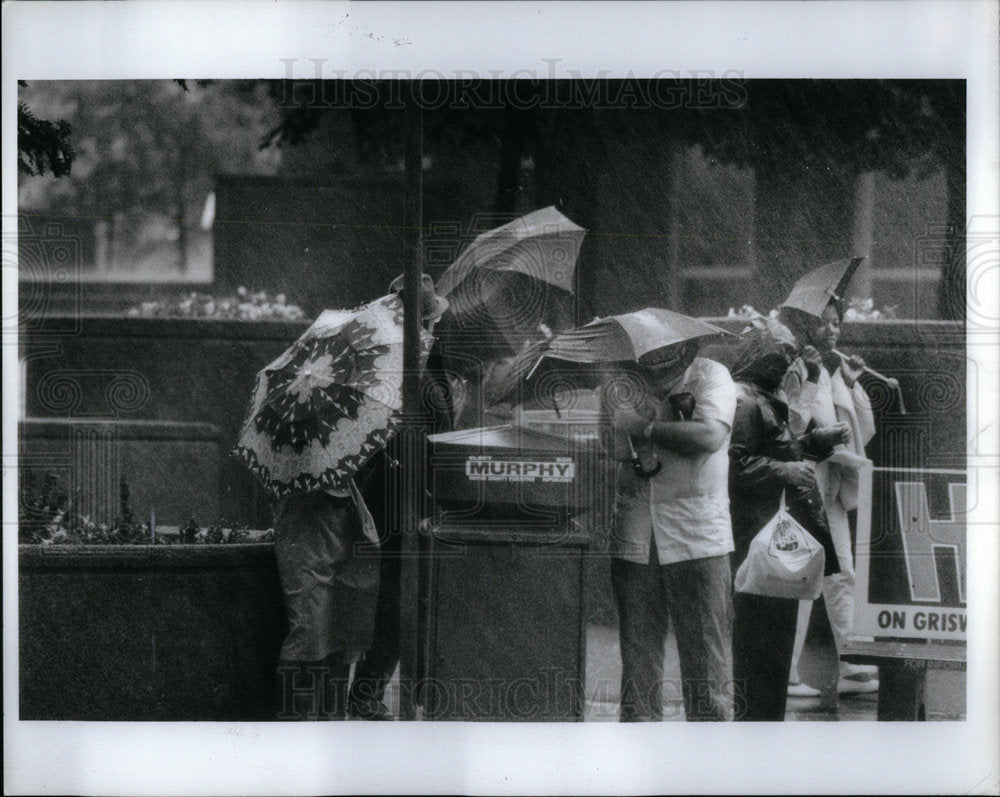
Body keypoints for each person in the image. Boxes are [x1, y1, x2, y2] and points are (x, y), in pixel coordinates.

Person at [603, 337, 738, 721]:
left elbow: (711, 435)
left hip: (697, 536)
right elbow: (611, 449)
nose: (658, 375)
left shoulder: (713, 376)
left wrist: (646, 427)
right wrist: (614, 417)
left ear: (686, 352)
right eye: (648, 365)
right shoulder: (621, 383)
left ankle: (708, 756)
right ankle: (640, 751)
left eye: (666, 367)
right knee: (638, 650)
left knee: (704, 656)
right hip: (636, 532)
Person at [727, 316, 845, 720]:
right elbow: (735, 466)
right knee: (759, 639)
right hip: (757, 532)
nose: (786, 364)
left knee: (775, 636)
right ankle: (756, 722)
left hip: (775, 532)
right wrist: (786, 470)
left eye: (789, 356)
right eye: (779, 356)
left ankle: (766, 720)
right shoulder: (744, 400)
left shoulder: (762, 397)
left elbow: (780, 450)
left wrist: (813, 443)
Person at [347, 273, 453, 720]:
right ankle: (376, 692)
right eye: (429, 322)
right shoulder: (419, 370)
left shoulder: (381, 362)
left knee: (398, 599)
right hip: (409, 499)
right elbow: (441, 436)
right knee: (405, 600)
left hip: (385, 495)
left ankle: (379, 691)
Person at [780, 298, 878, 699]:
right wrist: (814, 376)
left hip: (832, 487)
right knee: (801, 577)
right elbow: (791, 426)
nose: (833, 330)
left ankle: (849, 663)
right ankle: (785, 674)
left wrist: (850, 383)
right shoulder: (796, 368)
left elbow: (861, 433)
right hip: (804, 482)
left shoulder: (834, 370)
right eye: (824, 322)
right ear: (807, 327)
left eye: (836, 323)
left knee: (842, 575)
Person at [273, 463, 380, 720]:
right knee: (311, 632)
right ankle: (298, 722)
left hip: (335, 533)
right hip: (307, 537)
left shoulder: (336, 451)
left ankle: (330, 721)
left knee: (339, 632)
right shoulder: (294, 447)